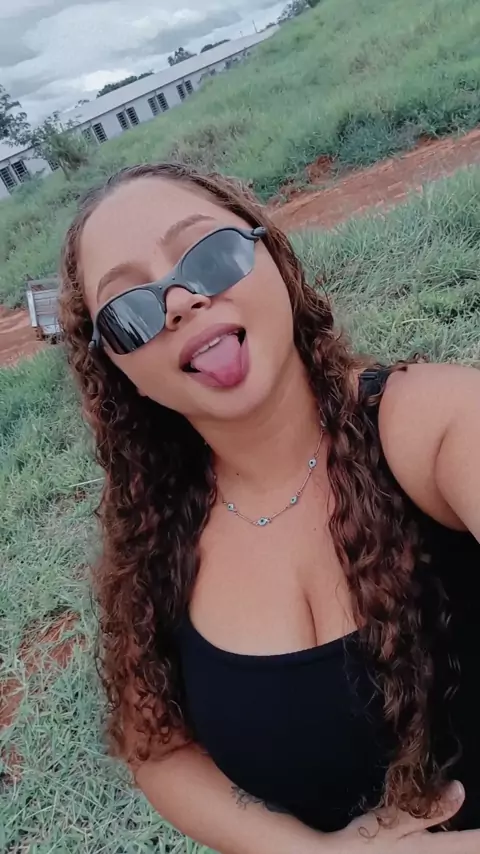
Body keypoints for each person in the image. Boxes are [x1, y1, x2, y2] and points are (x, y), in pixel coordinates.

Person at [58, 162, 480, 853]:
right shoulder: (154, 537)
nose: (180, 302)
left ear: (272, 256)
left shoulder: (434, 425)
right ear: (118, 367)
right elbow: (156, 749)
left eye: (210, 255)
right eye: (130, 309)